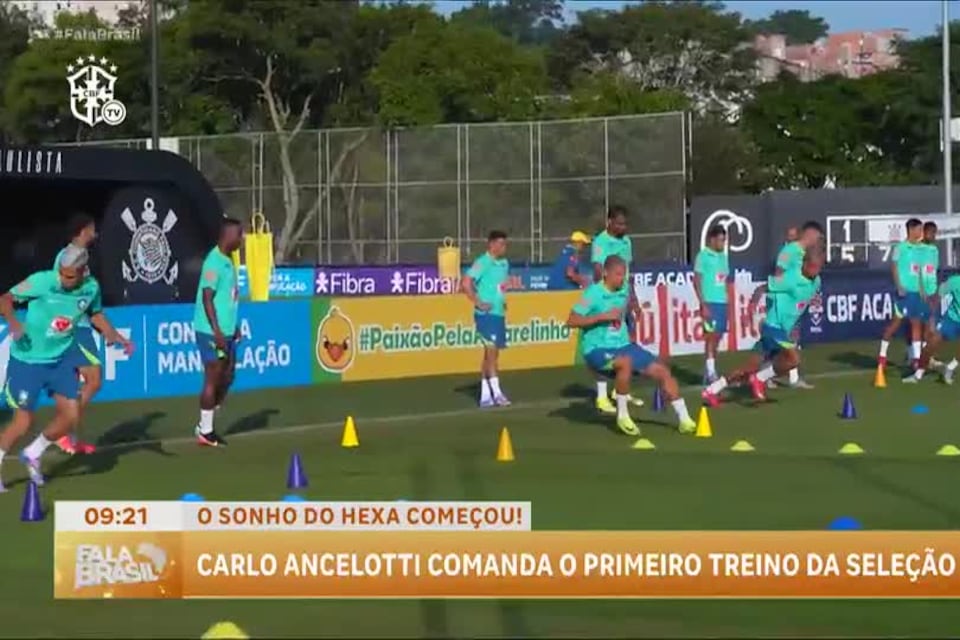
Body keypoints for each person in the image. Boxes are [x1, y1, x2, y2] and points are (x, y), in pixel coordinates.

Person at [0, 246, 132, 489]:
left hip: (60, 360)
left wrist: (113, 334)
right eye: (61, 273)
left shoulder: (91, 288)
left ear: (82, 271)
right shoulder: (42, 281)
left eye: (70, 276)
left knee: (71, 415)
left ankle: (33, 452)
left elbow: (95, 314)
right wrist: (13, 322)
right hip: (28, 361)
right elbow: (5, 299)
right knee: (22, 423)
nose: (63, 279)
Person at [568, 255, 695, 436]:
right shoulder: (592, 294)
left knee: (662, 371)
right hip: (597, 350)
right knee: (625, 362)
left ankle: (685, 420)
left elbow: (627, 303)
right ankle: (623, 417)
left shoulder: (625, 289)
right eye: (618, 274)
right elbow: (571, 320)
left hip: (623, 345)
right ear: (605, 273)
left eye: (624, 274)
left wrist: (635, 307)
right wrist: (601, 317)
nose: (622, 278)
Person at [701, 250, 824, 406]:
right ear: (804, 264)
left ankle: (712, 390)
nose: (816, 271)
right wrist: (752, 307)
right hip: (773, 327)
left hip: (783, 330)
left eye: (819, 267)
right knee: (793, 359)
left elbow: (799, 305)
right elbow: (762, 288)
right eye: (813, 266)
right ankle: (759, 379)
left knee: (748, 368)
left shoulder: (816, 281)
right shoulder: (790, 278)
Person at [193, 218, 244, 446]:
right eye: (239, 234)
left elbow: (226, 298)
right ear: (228, 235)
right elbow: (207, 297)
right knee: (213, 375)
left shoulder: (228, 261)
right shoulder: (213, 262)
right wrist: (217, 331)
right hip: (210, 331)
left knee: (228, 374)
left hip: (226, 330)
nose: (241, 239)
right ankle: (206, 431)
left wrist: (233, 326)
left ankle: (206, 422)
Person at [52, 213, 100, 455]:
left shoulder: (83, 257)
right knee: (94, 381)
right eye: (92, 228)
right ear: (82, 231)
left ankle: (69, 437)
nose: (95, 232)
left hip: (81, 325)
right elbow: (57, 290)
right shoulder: (66, 257)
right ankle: (62, 432)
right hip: (75, 328)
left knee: (74, 386)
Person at [590, 205, 643, 413]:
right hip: (608, 300)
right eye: (619, 224)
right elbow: (597, 271)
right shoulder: (600, 242)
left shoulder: (626, 241)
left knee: (626, 344)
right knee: (605, 346)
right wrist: (604, 298)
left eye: (625, 224)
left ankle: (620, 391)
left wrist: (634, 300)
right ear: (609, 222)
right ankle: (601, 396)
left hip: (623, 300)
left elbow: (628, 273)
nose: (623, 227)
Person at [462, 230, 517, 408]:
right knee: (491, 351)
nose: (503, 247)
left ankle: (485, 395)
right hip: (485, 315)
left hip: (498, 314)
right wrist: (478, 302)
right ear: (491, 244)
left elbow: (500, 286)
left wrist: (503, 298)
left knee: (491, 354)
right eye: (500, 244)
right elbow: (466, 282)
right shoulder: (483, 262)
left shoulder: (504, 264)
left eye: (505, 244)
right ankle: (497, 393)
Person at [768, 221, 823, 390]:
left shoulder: (804, 253)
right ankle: (766, 373)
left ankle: (792, 377)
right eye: (818, 237)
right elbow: (778, 273)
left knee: (792, 339)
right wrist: (779, 296)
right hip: (783, 302)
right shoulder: (788, 251)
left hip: (795, 302)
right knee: (778, 341)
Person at [878, 219, 925, 370]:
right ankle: (882, 354)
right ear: (911, 229)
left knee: (916, 323)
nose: (920, 233)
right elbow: (894, 267)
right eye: (918, 229)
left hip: (916, 292)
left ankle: (916, 359)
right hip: (904, 292)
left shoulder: (920, 249)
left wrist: (922, 289)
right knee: (895, 324)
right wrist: (899, 286)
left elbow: (919, 271)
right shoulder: (900, 248)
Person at [693, 224, 729, 384]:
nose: (723, 243)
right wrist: (703, 303)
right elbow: (697, 280)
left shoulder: (723, 257)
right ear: (712, 240)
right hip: (710, 302)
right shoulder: (703, 256)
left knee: (718, 336)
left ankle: (709, 371)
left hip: (722, 303)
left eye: (724, 240)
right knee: (711, 337)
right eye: (721, 240)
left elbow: (724, 280)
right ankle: (711, 372)